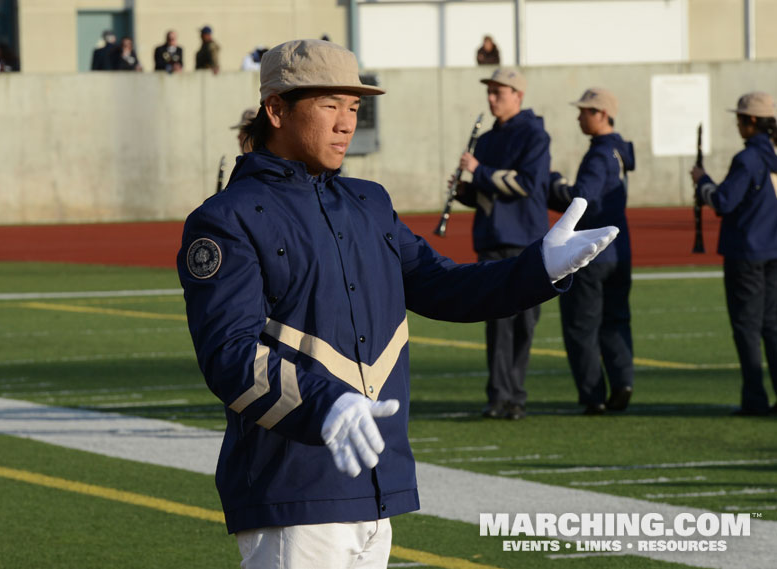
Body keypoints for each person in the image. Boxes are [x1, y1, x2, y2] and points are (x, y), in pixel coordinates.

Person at [177, 39, 618, 568]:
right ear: (276, 109)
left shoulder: (370, 202)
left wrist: (538, 269)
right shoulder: (227, 218)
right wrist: (327, 405)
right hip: (293, 487)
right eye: (329, 105)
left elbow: (443, 286)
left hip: (379, 487)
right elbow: (229, 354)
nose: (346, 123)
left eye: (355, 108)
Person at [453, 67, 552, 420]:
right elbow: (489, 196)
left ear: (517, 95)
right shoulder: (489, 137)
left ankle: (516, 396)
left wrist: (478, 171)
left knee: (524, 322)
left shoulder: (535, 135)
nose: (491, 98)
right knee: (497, 322)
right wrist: (465, 191)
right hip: (492, 240)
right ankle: (498, 395)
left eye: (499, 92)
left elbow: (525, 184)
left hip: (526, 239)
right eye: (490, 92)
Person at [548, 88, 636, 415]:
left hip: (593, 251)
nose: (579, 116)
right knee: (615, 320)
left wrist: (553, 185)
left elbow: (582, 200)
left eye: (585, 111)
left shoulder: (600, 154)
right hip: (620, 249)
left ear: (601, 114)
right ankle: (623, 380)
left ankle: (593, 394)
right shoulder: (619, 152)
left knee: (581, 326)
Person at [690, 91, 777, 416]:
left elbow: (724, 201)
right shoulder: (771, 153)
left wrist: (703, 182)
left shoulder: (749, 159)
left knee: (747, 327)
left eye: (739, 119)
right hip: (772, 248)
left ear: (750, 121)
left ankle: (754, 398)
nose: (737, 125)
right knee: (772, 326)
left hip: (747, 251)